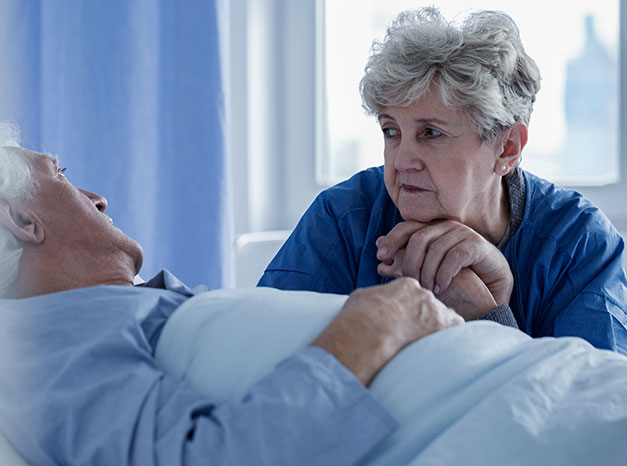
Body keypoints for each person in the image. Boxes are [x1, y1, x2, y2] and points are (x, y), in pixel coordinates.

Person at [0, 123, 464, 466]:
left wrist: (484, 314)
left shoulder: (103, 310)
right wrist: (374, 326)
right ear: (21, 217)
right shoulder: (36, 339)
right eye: (60, 176)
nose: (98, 198)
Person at [259, 7, 627, 354]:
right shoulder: (342, 218)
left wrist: (486, 314)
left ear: (507, 149)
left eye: (431, 133)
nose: (401, 160)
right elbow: (265, 364)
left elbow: (588, 410)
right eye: (391, 131)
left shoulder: (580, 243)